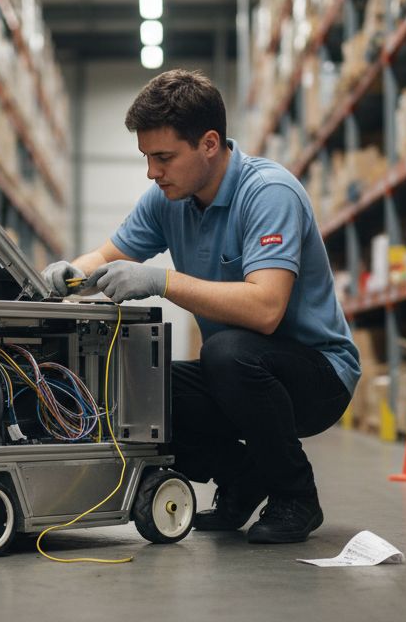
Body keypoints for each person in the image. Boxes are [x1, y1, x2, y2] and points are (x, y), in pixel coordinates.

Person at [43, 69, 360, 544]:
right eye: (147, 158)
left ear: (209, 143)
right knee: (141, 388)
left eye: (164, 157)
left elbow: (265, 309)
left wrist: (162, 281)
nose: (153, 172)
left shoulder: (268, 193)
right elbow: (107, 257)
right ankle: (244, 477)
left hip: (316, 376)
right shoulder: (167, 199)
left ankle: (296, 496)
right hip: (242, 376)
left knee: (228, 352)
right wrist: (66, 275)